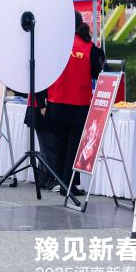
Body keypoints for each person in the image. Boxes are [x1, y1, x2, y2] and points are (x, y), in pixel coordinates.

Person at [46, 11, 105, 197]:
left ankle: (61, 181)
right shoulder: (89, 47)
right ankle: (69, 183)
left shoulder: (56, 45)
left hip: (57, 101)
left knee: (60, 143)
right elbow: (97, 72)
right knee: (74, 145)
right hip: (78, 103)